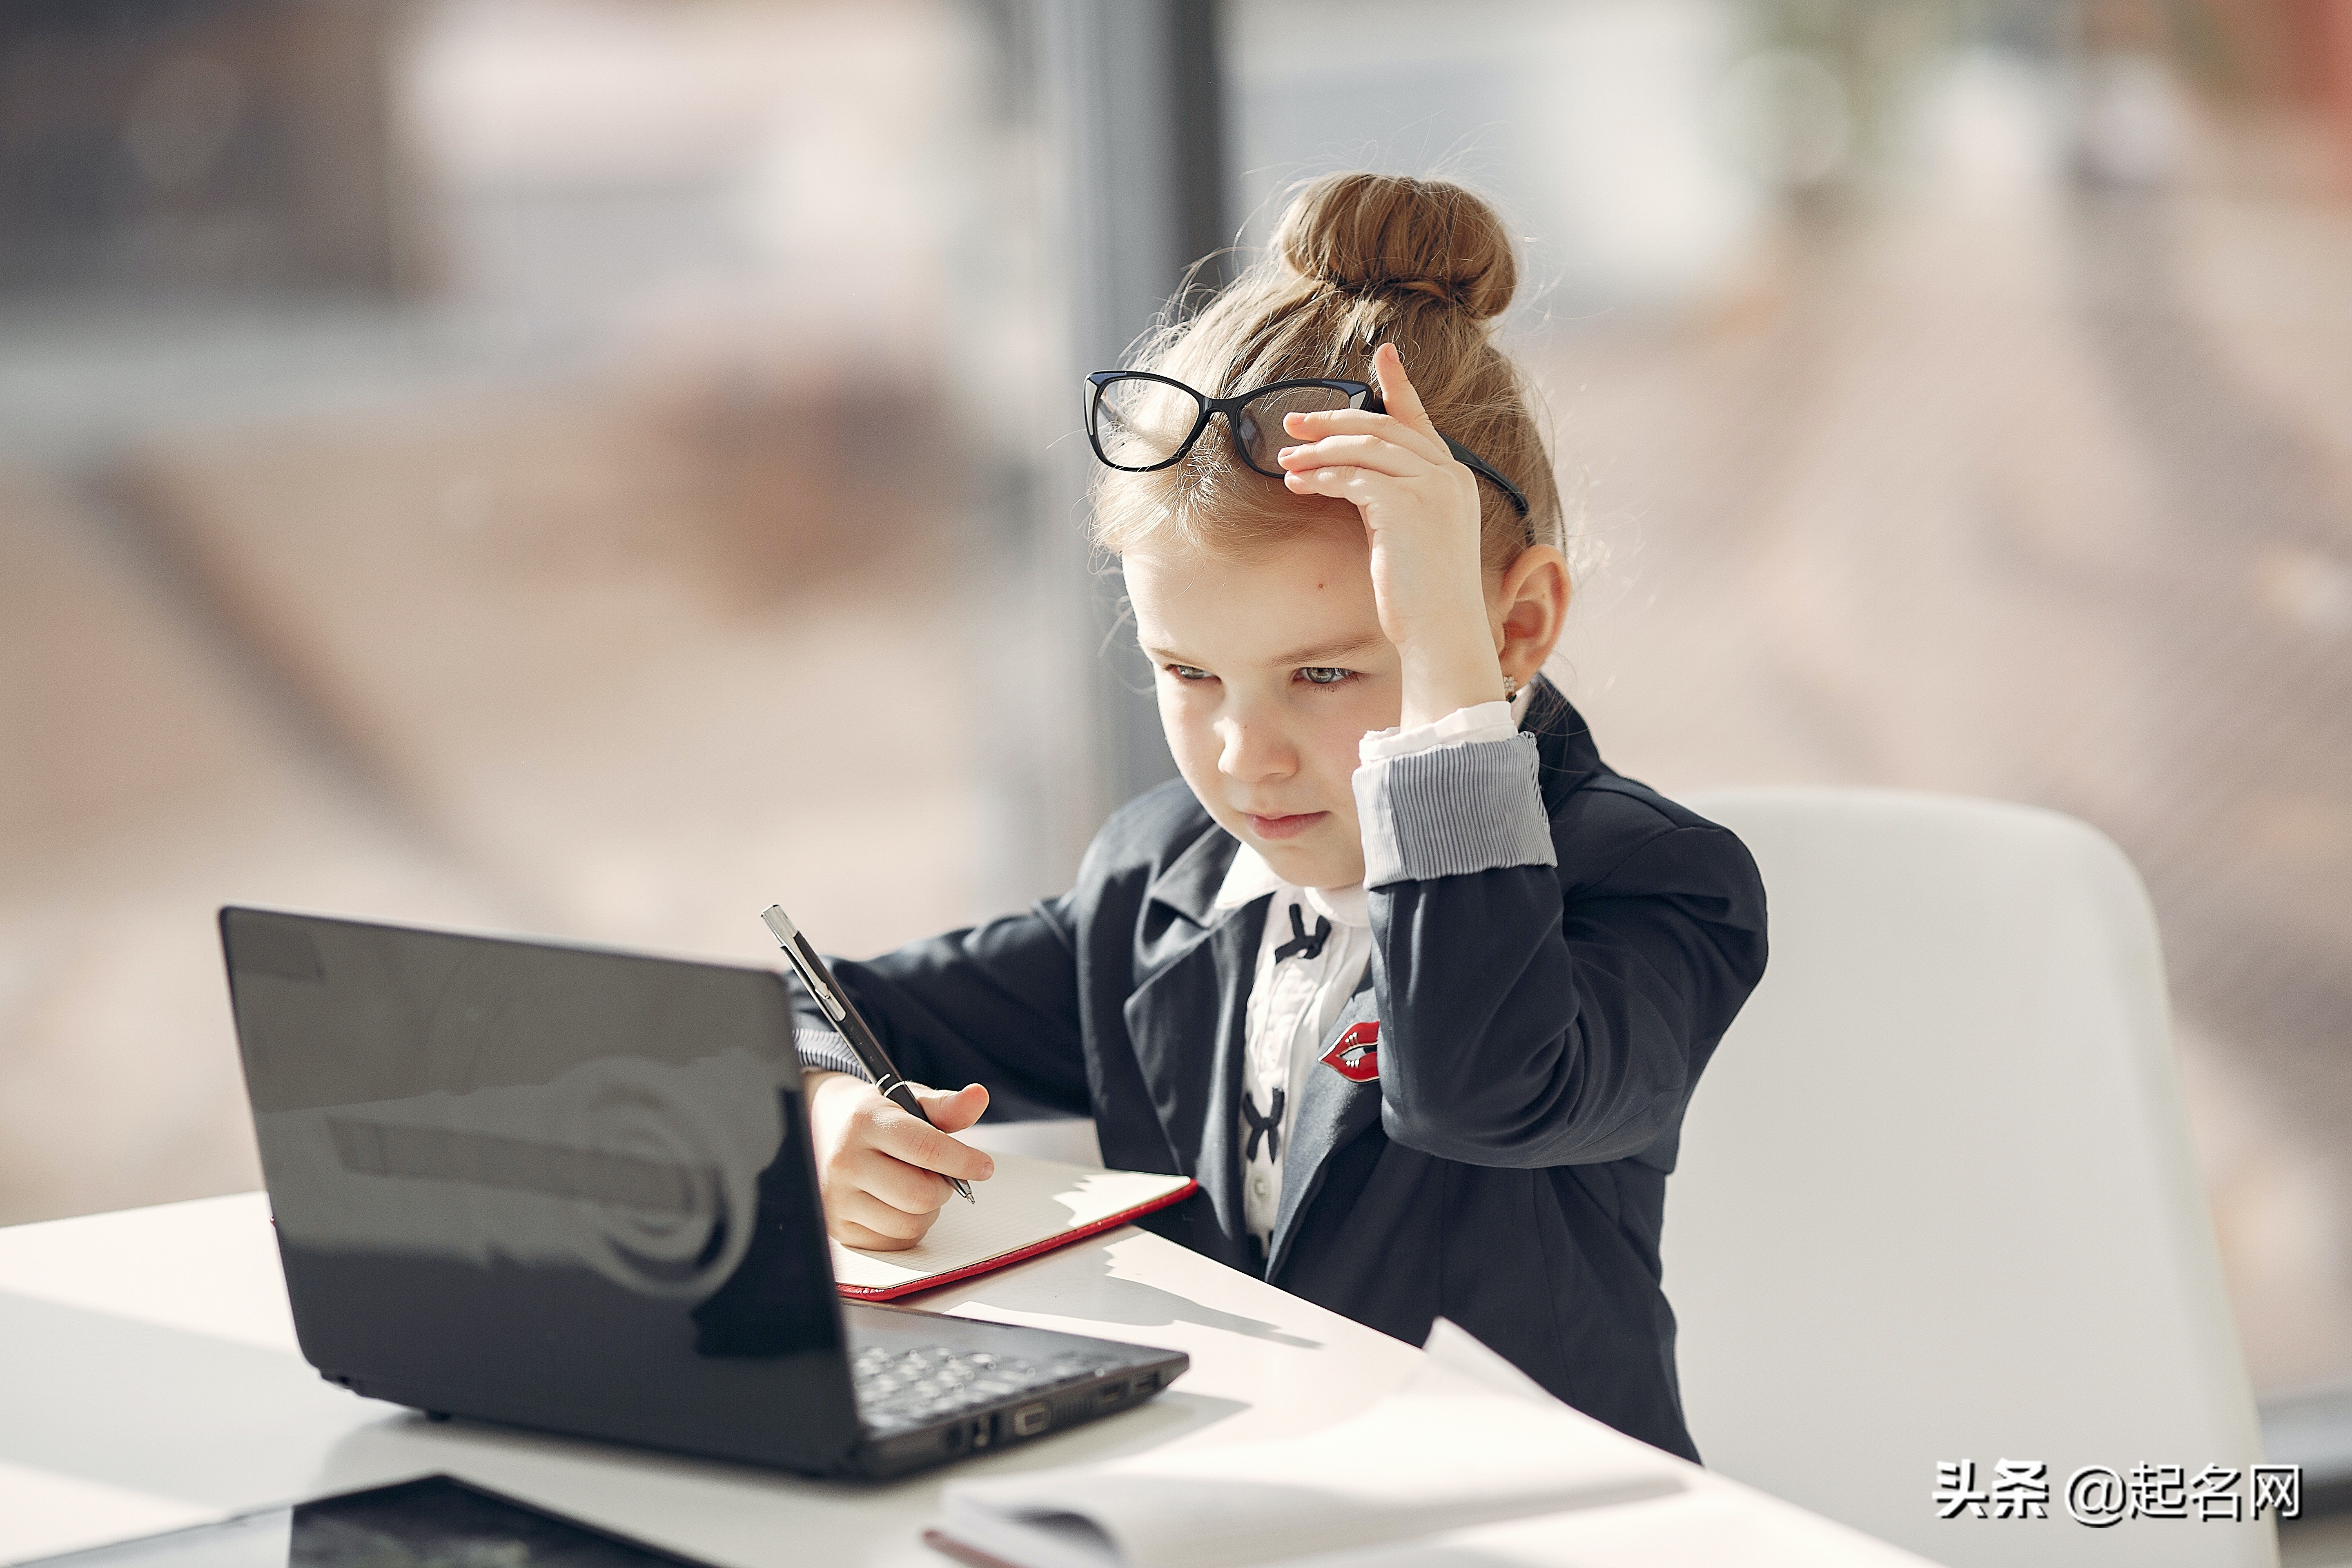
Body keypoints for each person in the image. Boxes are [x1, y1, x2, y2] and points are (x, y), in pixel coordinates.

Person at [793, 172, 1766, 1461]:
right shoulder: (1159, 883)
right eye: (1188, 675)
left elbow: (1478, 1091)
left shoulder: (1657, 881)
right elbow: (812, 1011)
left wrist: (1444, 694)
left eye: (1328, 673)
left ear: (1514, 627)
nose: (1245, 754)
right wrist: (822, 1118)